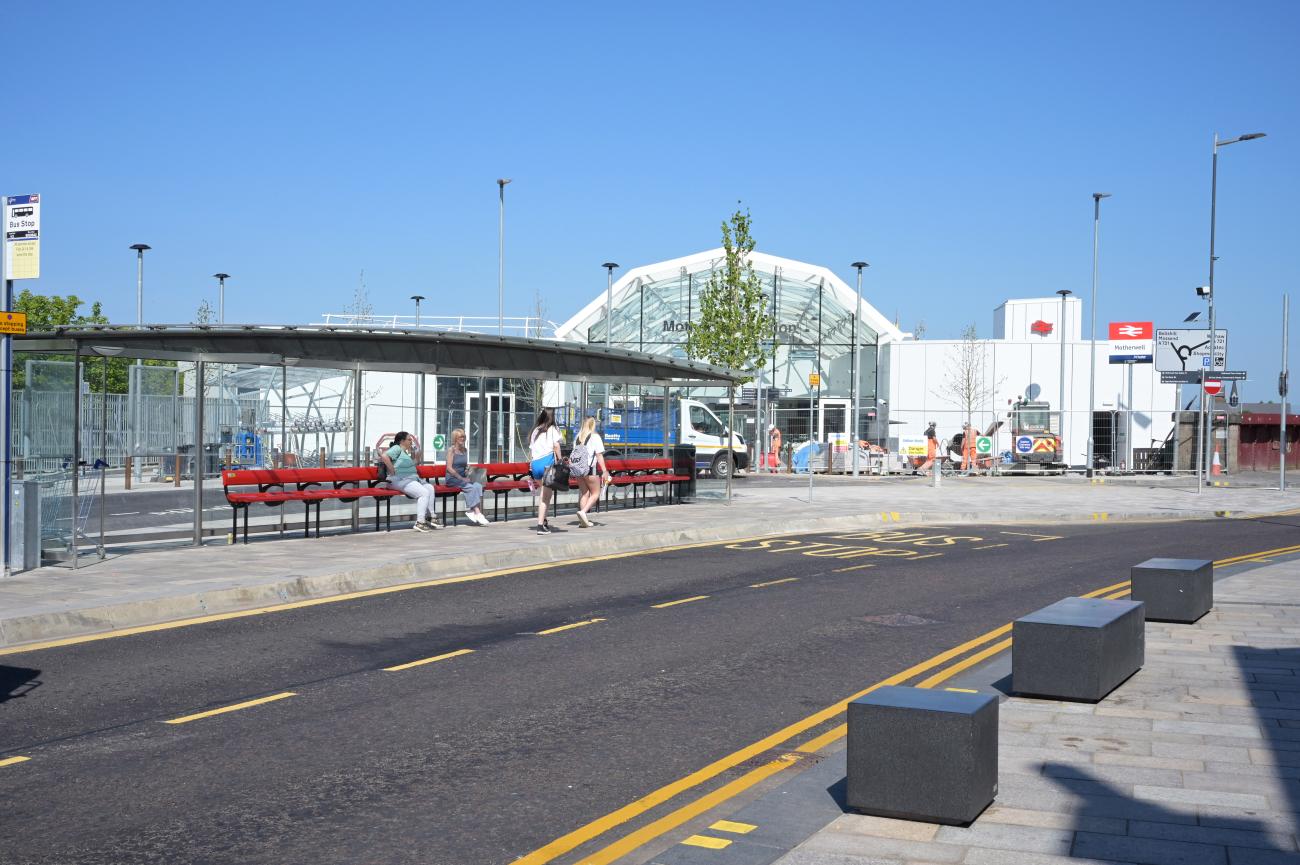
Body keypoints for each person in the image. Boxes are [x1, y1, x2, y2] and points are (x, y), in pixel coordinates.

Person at [382, 431, 440, 532]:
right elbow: (384, 456)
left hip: (410, 479)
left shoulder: (404, 453)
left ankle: (431, 516)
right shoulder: (397, 448)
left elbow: (412, 464)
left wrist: (417, 457)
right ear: (402, 441)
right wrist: (391, 470)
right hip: (400, 479)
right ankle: (420, 522)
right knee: (424, 493)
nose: (411, 442)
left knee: (430, 488)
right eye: (409, 440)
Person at [569, 416, 611, 528]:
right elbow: (599, 455)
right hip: (590, 469)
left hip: (578, 470)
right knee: (596, 493)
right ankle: (583, 512)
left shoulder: (577, 437)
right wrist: (605, 470)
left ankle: (583, 519)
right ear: (593, 425)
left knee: (585, 493)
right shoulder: (595, 437)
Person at [528, 408, 564, 535]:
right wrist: (560, 460)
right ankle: (540, 525)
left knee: (545, 494)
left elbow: (531, 450)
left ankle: (544, 520)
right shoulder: (553, 429)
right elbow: (556, 446)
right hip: (547, 463)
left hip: (535, 464)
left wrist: (531, 465)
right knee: (545, 497)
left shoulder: (535, 430)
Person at [445, 428, 488, 526]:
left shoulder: (465, 450)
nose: (463, 439)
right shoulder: (451, 450)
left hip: (463, 477)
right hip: (453, 478)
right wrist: (461, 478)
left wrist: (468, 468)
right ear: (455, 438)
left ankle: (472, 511)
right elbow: (449, 468)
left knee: (478, 485)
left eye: (464, 437)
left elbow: (463, 464)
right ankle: (477, 512)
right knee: (470, 487)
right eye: (460, 437)